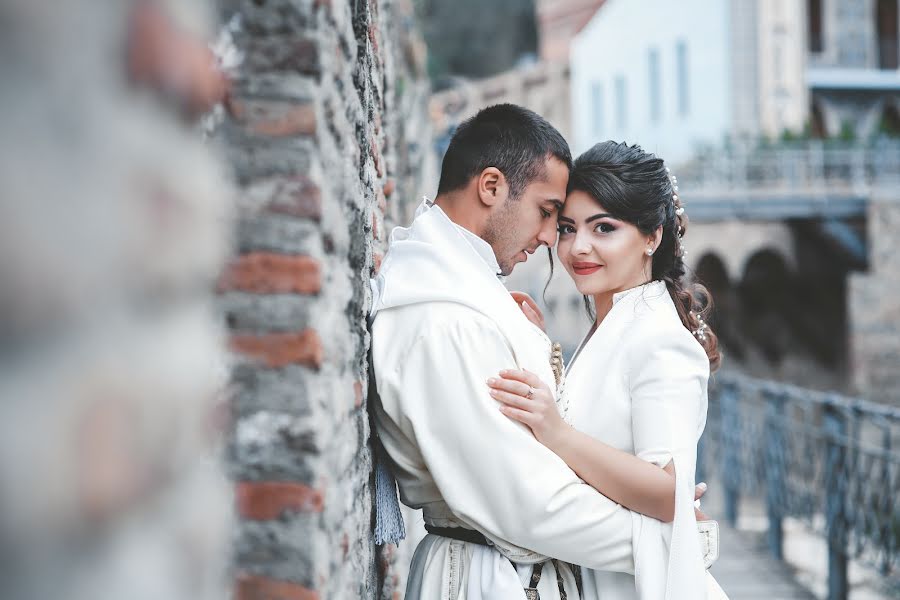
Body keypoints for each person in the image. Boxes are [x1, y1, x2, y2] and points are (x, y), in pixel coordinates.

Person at [369, 105, 710, 600]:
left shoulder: (463, 300)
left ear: (652, 237)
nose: (559, 242)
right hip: (488, 574)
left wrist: (521, 340)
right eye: (556, 218)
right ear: (491, 187)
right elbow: (530, 503)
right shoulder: (452, 319)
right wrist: (675, 538)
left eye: (604, 228)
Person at [487, 141, 728, 598]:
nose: (579, 247)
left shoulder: (659, 337)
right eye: (567, 228)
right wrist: (535, 346)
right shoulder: (614, 322)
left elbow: (668, 493)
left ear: (652, 236)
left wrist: (556, 432)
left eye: (604, 228)